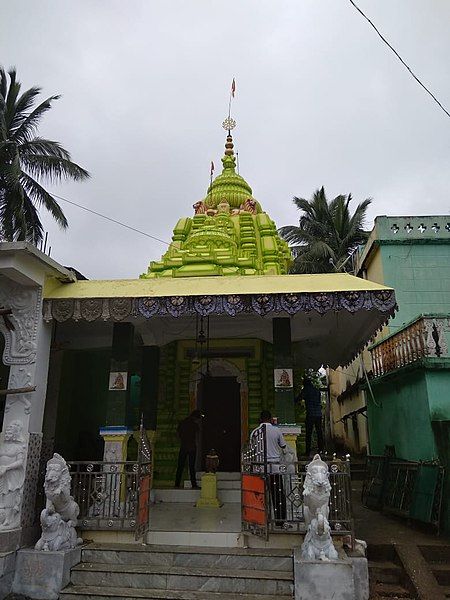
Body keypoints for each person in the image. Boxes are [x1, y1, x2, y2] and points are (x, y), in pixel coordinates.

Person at [250, 410, 287, 525]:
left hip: (260, 468)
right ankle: (280, 521)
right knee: (278, 495)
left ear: (260, 419)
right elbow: (283, 445)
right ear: (271, 419)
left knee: (259, 496)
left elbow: (252, 450)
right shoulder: (276, 431)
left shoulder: (255, 432)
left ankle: (259, 520)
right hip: (274, 468)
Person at [174, 409, 203, 489]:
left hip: (183, 446)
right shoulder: (194, 425)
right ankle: (193, 484)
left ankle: (177, 484)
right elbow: (197, 436)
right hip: (192, 447)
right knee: (191, 467)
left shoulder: (182, 423)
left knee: (180, 466)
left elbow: (177, 434)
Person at [301, 376, 324, 456]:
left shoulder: (306, 390)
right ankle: (321, 450)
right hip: (318, 414)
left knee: (309, 433)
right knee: (319, 433)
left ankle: (308, 452)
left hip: (310, 414)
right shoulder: (317, 391)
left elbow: (299, 398)